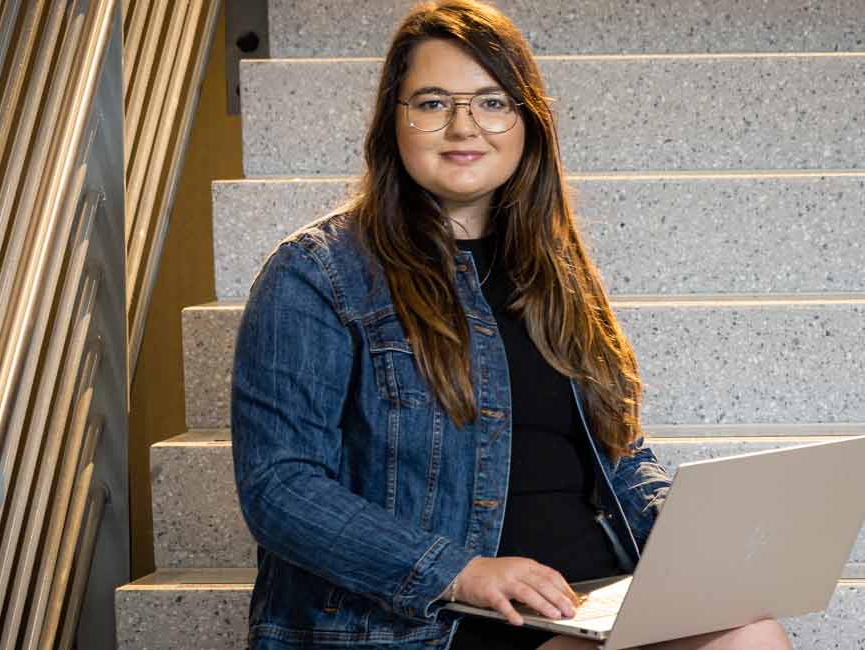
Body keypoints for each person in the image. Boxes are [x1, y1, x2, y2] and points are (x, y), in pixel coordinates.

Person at [230, 1, 793, 648]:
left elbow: (619, 454)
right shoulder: (318, 276)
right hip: (442, 625)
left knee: (748, 627)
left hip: (592, 607)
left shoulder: (554, 271)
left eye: (492, 102)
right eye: (433, 103)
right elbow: (281, 488)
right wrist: (460, 573)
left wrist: (693, 550)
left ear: (528, 122)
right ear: (394, 122)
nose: (464, 126)